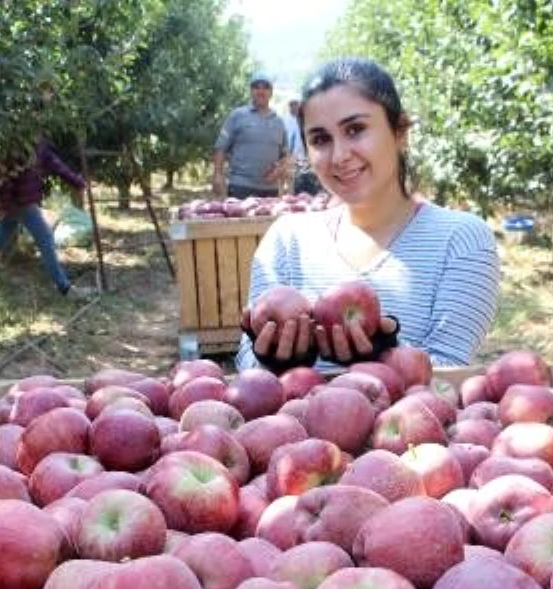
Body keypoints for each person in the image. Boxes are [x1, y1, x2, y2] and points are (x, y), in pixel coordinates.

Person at [236, 57, 501, 372]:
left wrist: (384, 356)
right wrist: (275, 362)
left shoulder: (461, 240)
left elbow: (451, 373)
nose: (339, 156)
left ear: (399, 131)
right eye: (320, 139)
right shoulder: (287, 240)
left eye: (355, 129)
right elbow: (247, 366)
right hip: (298, 421)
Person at [0, 136, 96, 300]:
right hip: (22, 203)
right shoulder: (22, 143)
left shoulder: (29, 143)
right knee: (45, 239)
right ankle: (65, 289)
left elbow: (56, 165)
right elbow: (6, 176)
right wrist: (80, 183)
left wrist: (78, 182)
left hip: (13, 203)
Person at [212, 71, 290, 200]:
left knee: (268, 221)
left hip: (270, 190)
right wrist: (217, 174)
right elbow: (221, 147)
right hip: (240, 187)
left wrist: (280, 170)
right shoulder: (237, 116)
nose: (261, 91)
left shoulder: (279, 122)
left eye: (265, 87)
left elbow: (285, 155)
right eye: (256, 87)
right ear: (250, 91)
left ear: (271, 92)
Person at [285, 96, 323, 196]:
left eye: (296, 104)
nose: (294, 107)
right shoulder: (285, 121)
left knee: (311, 191)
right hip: (293, 163)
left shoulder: (308, 120)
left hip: (308, 162)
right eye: (291, 104)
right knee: (295, 192)